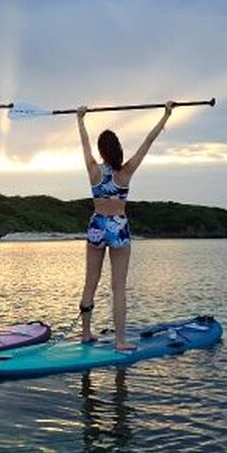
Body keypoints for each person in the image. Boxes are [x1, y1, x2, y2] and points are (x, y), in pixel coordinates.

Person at [76, 101, 175, 350]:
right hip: (118, 227)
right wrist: (166, 114)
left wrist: (80, 119)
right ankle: (120, 341)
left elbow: (84, 143)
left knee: (90, 282)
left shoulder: (93, 170)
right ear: (117, 149)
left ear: (101, 151)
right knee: (118, 287)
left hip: (97, 225)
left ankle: (85, 334)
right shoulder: (126, 172)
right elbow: (148, 141)